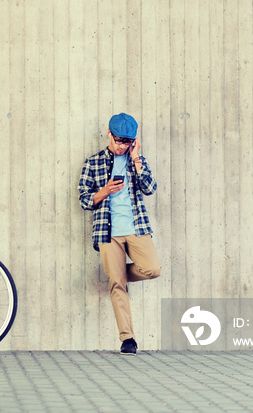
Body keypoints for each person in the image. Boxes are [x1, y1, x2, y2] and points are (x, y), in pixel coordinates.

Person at [77, 113, 162, 354]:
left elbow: (150, 188)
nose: (122, 146)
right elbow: (83, 199)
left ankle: (116, 274)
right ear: (109, 134)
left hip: (136, 228)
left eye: (128, 142)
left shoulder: (137, 160)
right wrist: (104, 191)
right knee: (117, 286)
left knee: (152, 269)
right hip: (108, 232)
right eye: (119, 141)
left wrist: (136, 159)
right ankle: (128, 339)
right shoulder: (93, 162)